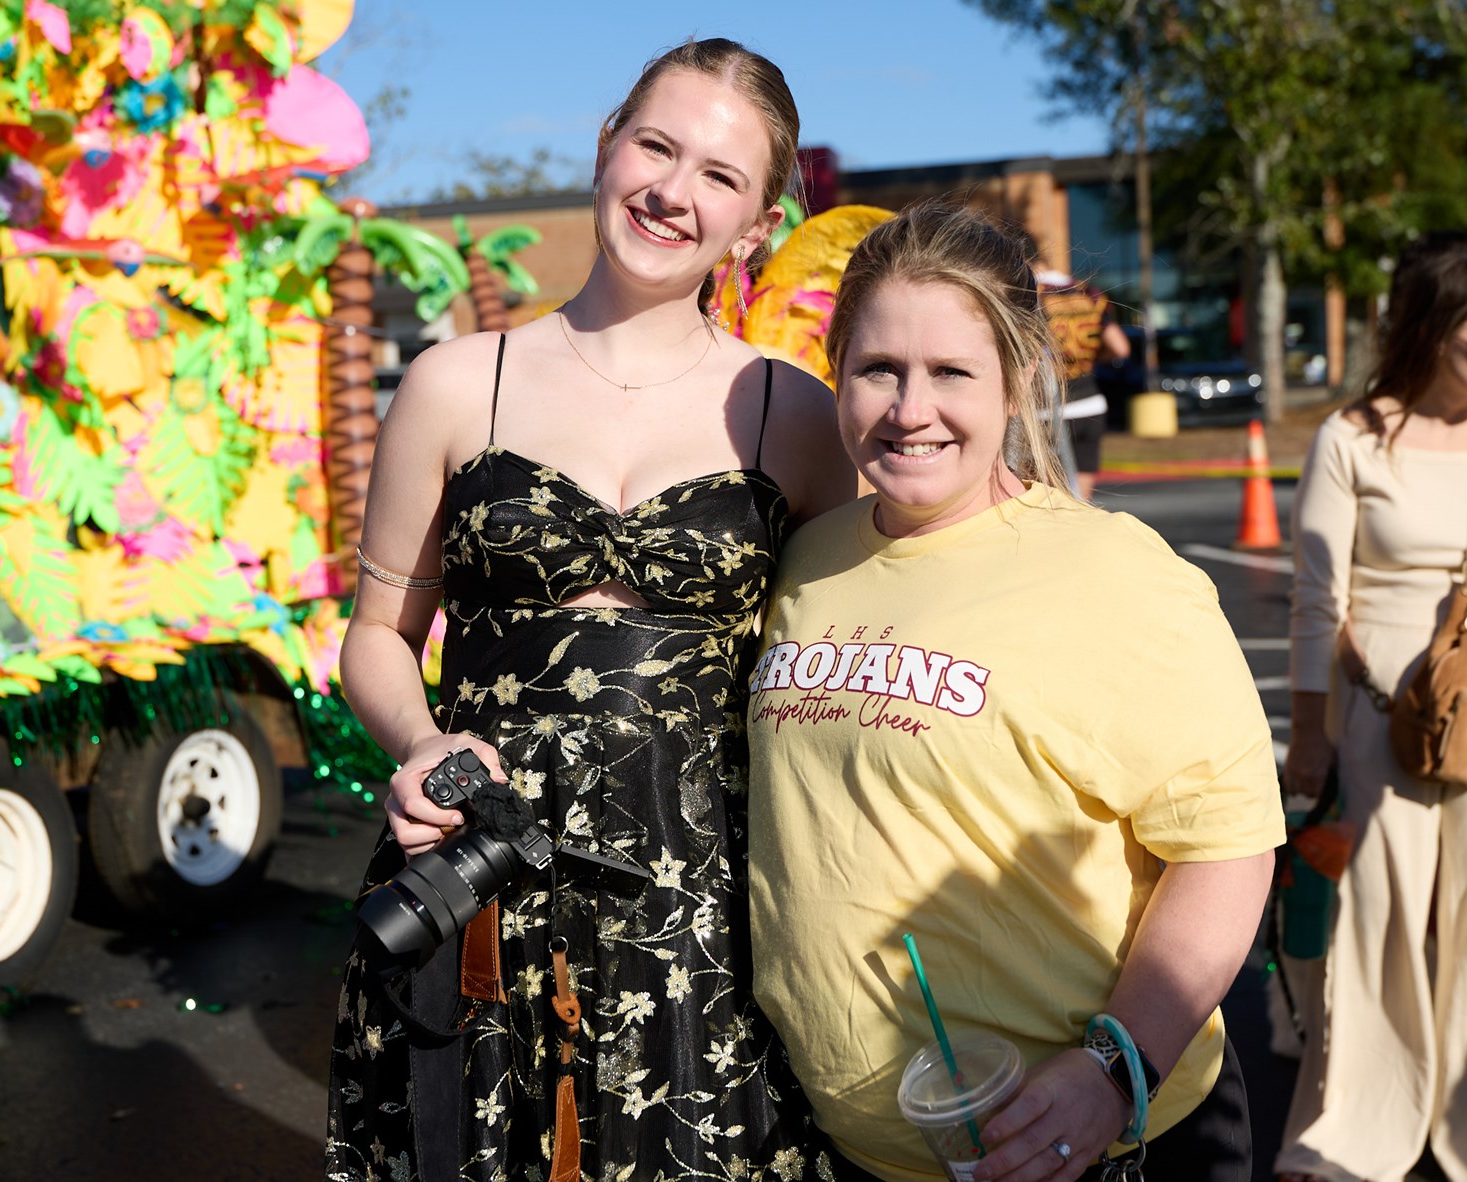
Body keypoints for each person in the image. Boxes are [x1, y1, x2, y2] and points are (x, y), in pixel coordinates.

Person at [323, 38, 858, 1182]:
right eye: (656, 146)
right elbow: (376, 637)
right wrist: (419, 742)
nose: (672, 191)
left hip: (706, 903)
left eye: (719, 175)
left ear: (756, 225)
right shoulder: (457, 383)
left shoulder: (796, 415)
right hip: (482, 871)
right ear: (607, 143)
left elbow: (854, 656)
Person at [745, 202, 1284, 1181]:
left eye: (952, 372)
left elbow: (1227, 850)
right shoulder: (804, 557)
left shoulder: (1117, 575)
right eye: (878, 369)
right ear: (835, 369)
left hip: (1093, 1144)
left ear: (1020, 376)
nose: (910, 409)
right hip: (855, 1152)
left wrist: (1114, 1070)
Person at [1275, 248, 1467, 1182]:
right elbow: (1316, 600)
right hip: (1376, 715)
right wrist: (1311, 739)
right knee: (1374, 922)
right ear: (1438, 333)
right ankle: (1353, 1131)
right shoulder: (1352, 438)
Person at [1035, 267, 1130, 501]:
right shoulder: (1089, 294)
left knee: (1045, 499)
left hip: (1045, 408)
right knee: (1080, 501)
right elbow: (1121, 348)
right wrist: (1091, 359)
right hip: (1089, 402)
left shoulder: (1030, 293)